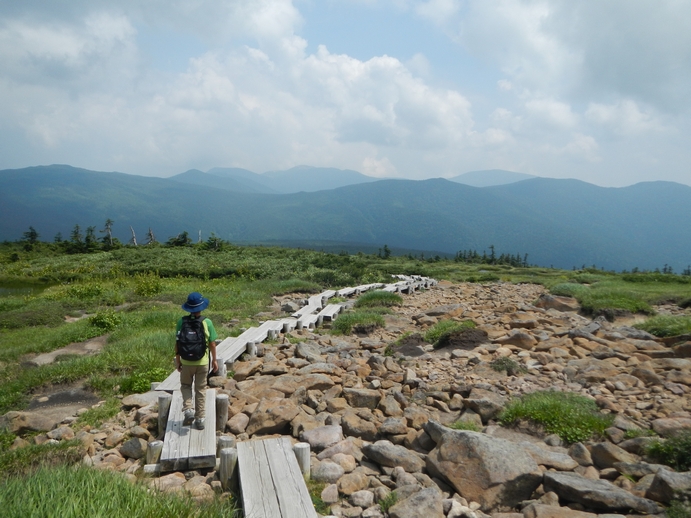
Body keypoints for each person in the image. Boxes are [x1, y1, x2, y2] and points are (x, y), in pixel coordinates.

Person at [175, 292, 218, 430]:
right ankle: (200, 419)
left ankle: (188, 410)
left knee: (186, 386)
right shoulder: (207, 322)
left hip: (186, 361)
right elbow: (212, 344)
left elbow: (177, 343)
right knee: (200, 390)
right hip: (202, 362)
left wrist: (178, 360)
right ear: (201, 307)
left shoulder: (181, 322)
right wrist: (214, 360)